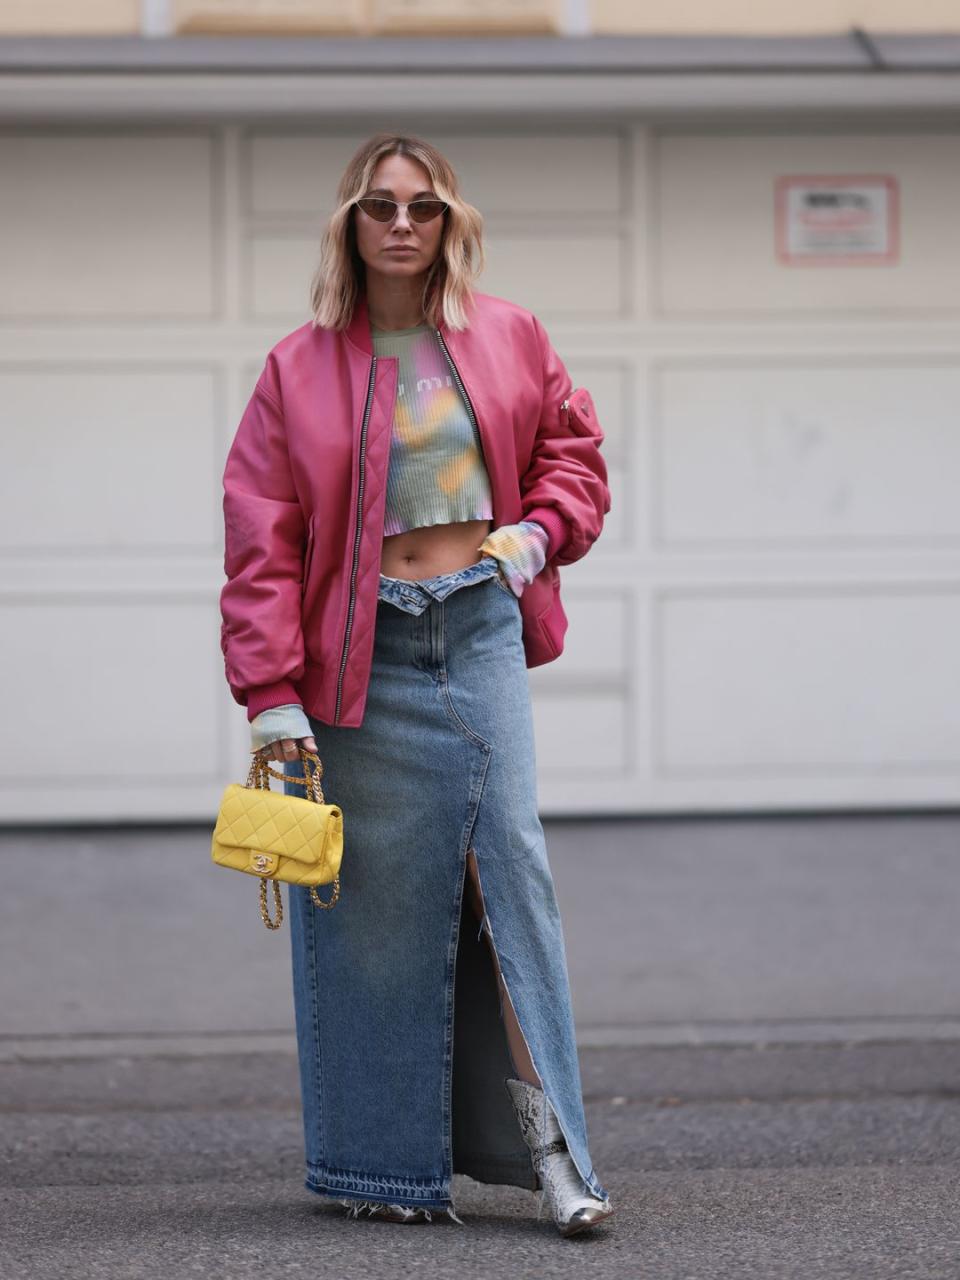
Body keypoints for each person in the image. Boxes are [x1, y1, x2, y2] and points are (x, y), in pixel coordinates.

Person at [218, 132, 613, 1237]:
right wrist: (272, 695)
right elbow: (262, 539)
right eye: (381, 205)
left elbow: (574, 456)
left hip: (478, 628)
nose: (402, 223)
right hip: (360, 653)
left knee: (510, 883)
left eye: (424, 206)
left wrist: (536, 535)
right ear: (350, 221)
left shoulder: (508, 335)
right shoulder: (298, 367)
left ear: (451, 223)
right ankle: (380, 1166)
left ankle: (556, 1153)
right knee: (372, 912)